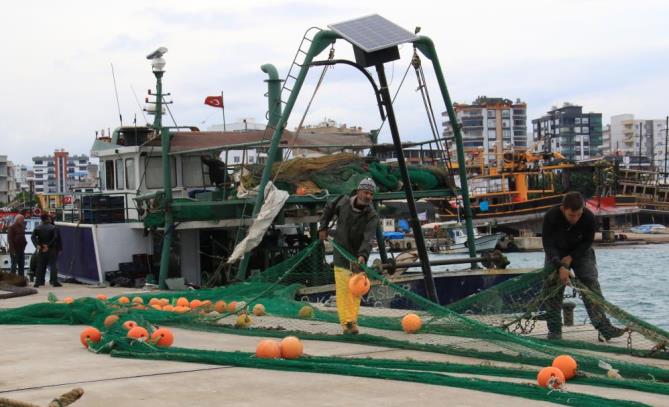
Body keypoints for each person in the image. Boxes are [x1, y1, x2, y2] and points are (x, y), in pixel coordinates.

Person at [541, 191, 626, 341]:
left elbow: (587, 242)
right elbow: (547, 243)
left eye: (578, 215)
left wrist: (571, 258)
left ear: (583, 209)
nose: (575, 218)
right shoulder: (551, 216)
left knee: (591, 285)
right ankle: (554, 331)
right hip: (556, 252)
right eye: (571, 215)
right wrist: (560, 265)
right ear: (563, 209)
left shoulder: (588, 217)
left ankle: (604, 328)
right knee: (552, 288)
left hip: (581, 251)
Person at [318, 178, 379, 334]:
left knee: (356, 289)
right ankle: (347, 323)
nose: (368, 196)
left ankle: (352, 320)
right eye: (366, 192)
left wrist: (362, 256)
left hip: (358, 256)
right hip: (341, 252)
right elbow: (329, 207)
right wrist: (323, 227)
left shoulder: (372, 215)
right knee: (344, 288)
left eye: (371, 194)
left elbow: (368, 239)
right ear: (358, 192)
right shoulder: (343, 201)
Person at [31, 214, 62, 288]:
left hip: (41, 248)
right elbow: (55, 238)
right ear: (47, 218)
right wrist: (48, 245)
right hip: (51, 248)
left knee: (40, 266)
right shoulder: (53, 227)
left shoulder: (38, 227)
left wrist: (37, 245)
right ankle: (54, 281)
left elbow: (32, 237)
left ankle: (38, 282)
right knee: (53, 265)